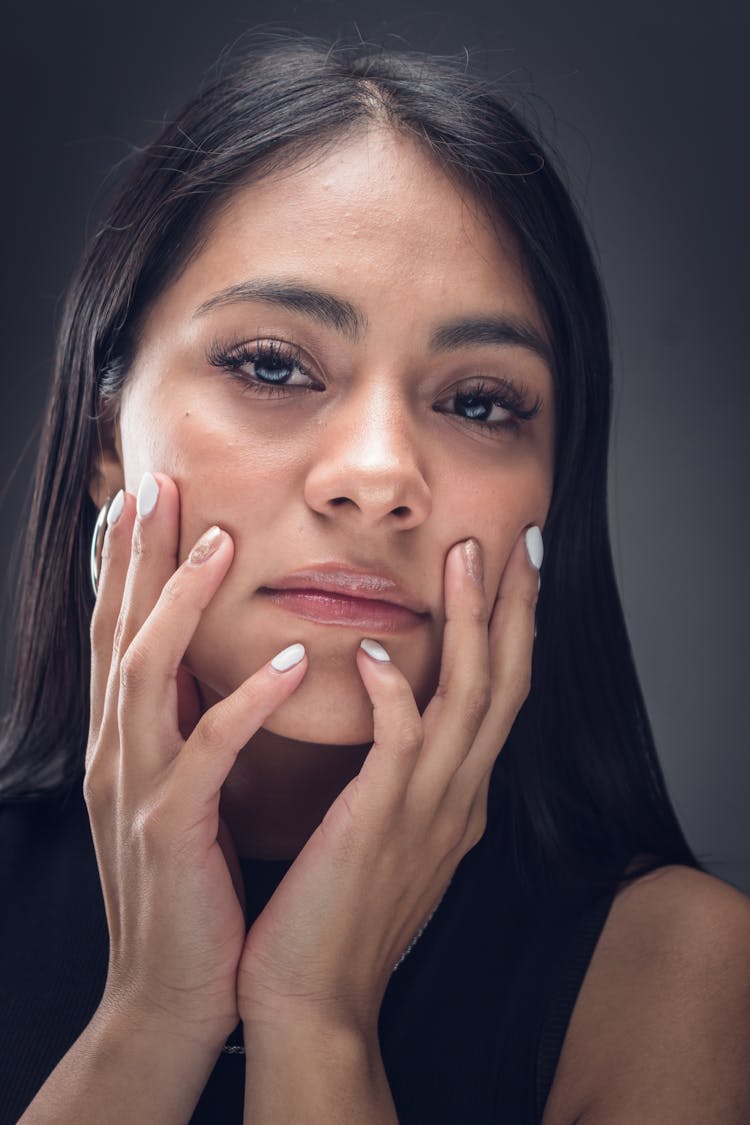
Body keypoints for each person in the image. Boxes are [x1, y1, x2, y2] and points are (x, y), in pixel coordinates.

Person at [1, 31, 748, 1125]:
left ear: (554, 492)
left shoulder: (678, 974)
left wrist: (318, 1016)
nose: (380, 476)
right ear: (108, 431)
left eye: (480, 401)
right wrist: (153, 1013)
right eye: (272, 366)